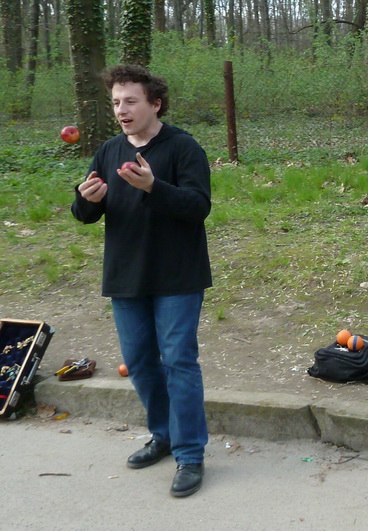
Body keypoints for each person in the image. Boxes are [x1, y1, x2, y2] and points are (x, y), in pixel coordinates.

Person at [71, 64, 212, 498]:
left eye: (130, 101)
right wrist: (85, 200)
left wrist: (155, 187)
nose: (121, 110)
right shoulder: (109, 150)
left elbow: (198, 206)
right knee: (140, 363)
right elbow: (85, 214)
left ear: (155, 104)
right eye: (116, 102)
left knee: (178, 361)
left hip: (177, 274)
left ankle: (190, 454)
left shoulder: (183, 147)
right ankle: (163, 435)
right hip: (125, 274)